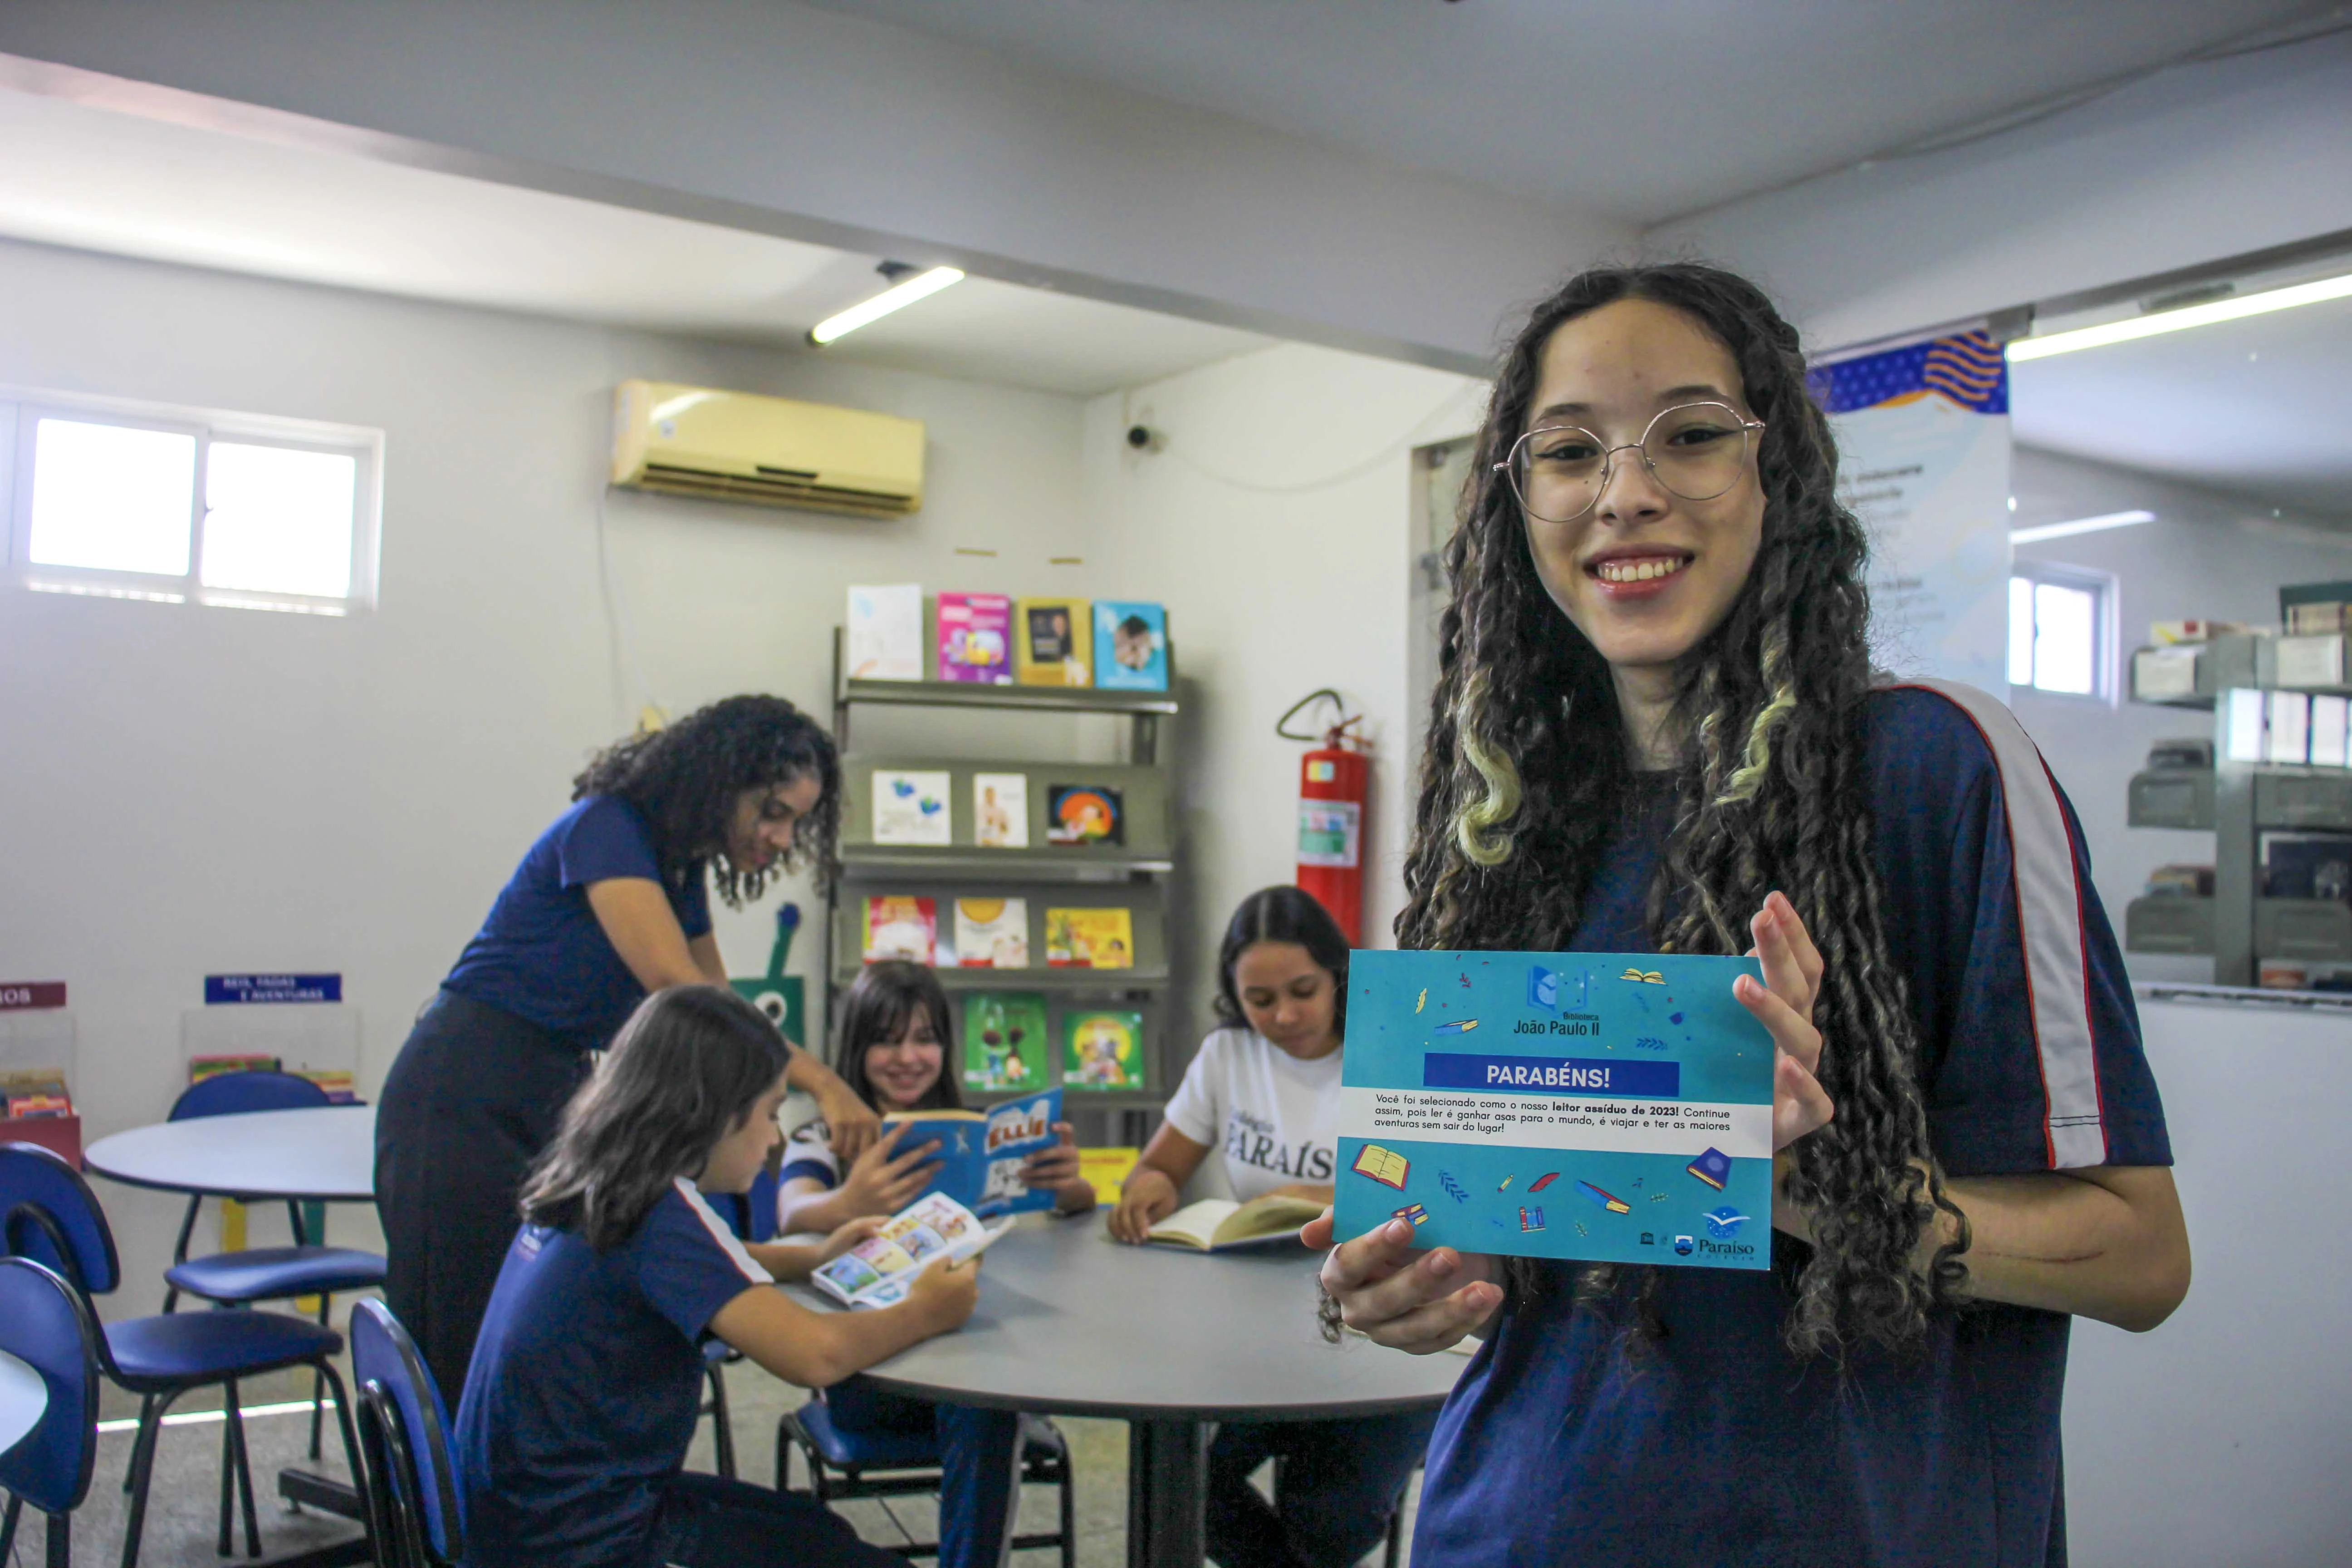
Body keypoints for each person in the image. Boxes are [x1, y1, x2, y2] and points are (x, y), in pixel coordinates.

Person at [1310, 262, 2191, 1567]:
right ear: (1518, 504)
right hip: (1506, 1530)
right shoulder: (1502, 829)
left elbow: (2140, 1258)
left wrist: (1824, 1200)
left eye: (1693, 433)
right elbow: (1515, 1268)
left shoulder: (1937, 771)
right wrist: (1405, 1290)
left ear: (1779, 477)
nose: (1626, 492)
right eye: (1567, 452)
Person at [376, 694, 882, 1401]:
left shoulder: (681, 871)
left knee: (528, 1323)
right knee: (458, 1322)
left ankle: (522, 1494)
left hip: (552, 1084)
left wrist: (767, 1098)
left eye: (797, 821)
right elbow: (679, 989)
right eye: (772, 811)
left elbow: (722, 1015)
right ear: (715, 784)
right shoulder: (607, 829)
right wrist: (823, 1083)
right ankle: (442, 1508)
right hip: (465, 1083)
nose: (781, 836)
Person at [456, 984, 977, 1568]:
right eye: (770, 1113)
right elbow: (816, 1355)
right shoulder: (661, 1214)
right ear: (711, 1113)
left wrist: (808, 1256)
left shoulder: (608, 1180)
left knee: (817, 1528)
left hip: (534, 1516)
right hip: (592, 1542)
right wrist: (927, 1311)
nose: (775, 1138)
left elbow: (693, 1265)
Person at [1110, 886, 1436, 1568]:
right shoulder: (1228, 1056)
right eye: (1260, 1001)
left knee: (1329, 1515)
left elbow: (1430, 1190)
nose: (1284, 1015)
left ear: (1336, 976)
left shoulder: (1389, 1052)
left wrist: (1314, 1192)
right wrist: (1149, 1185)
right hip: (1259, 1327)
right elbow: (1161, 1167)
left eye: (1302, 990)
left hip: (1377, 1329)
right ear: (1234, 994)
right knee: (1189, 1487)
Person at [773, 961, 1093, 1568]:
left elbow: (1063, 1218)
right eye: (887, 1040)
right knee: (989, 1400)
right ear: (856, 1047)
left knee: (986, 1396)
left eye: (926, 1038)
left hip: (971, 1362)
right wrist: (847, 1204)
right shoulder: (823, 1136)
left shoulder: (972, 1133)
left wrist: (1070, 1189)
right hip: (869, 1372)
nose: (908, 1057)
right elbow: (792, 1213)